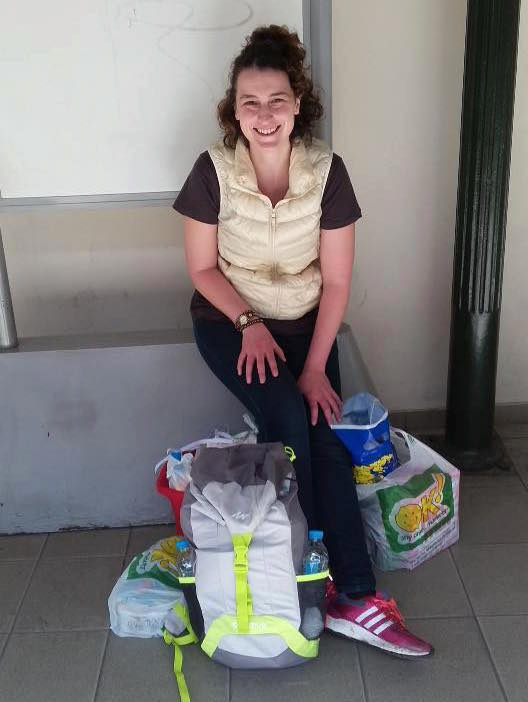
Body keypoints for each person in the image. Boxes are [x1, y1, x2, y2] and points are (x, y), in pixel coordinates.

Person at [174, 24, 432, 659]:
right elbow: (203, 271)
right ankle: (302, 571)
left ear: (299, 104)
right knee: (288, 419)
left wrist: (317, 366)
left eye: (277, 100)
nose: (264, 115)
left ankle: (359, 597)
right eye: (250, 103)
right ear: (234, 111)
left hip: (305, 329)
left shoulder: (327, 172)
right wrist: (249, 325)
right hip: (229, 323)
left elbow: (337, 281)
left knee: (325, 433)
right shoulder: (212, 171)